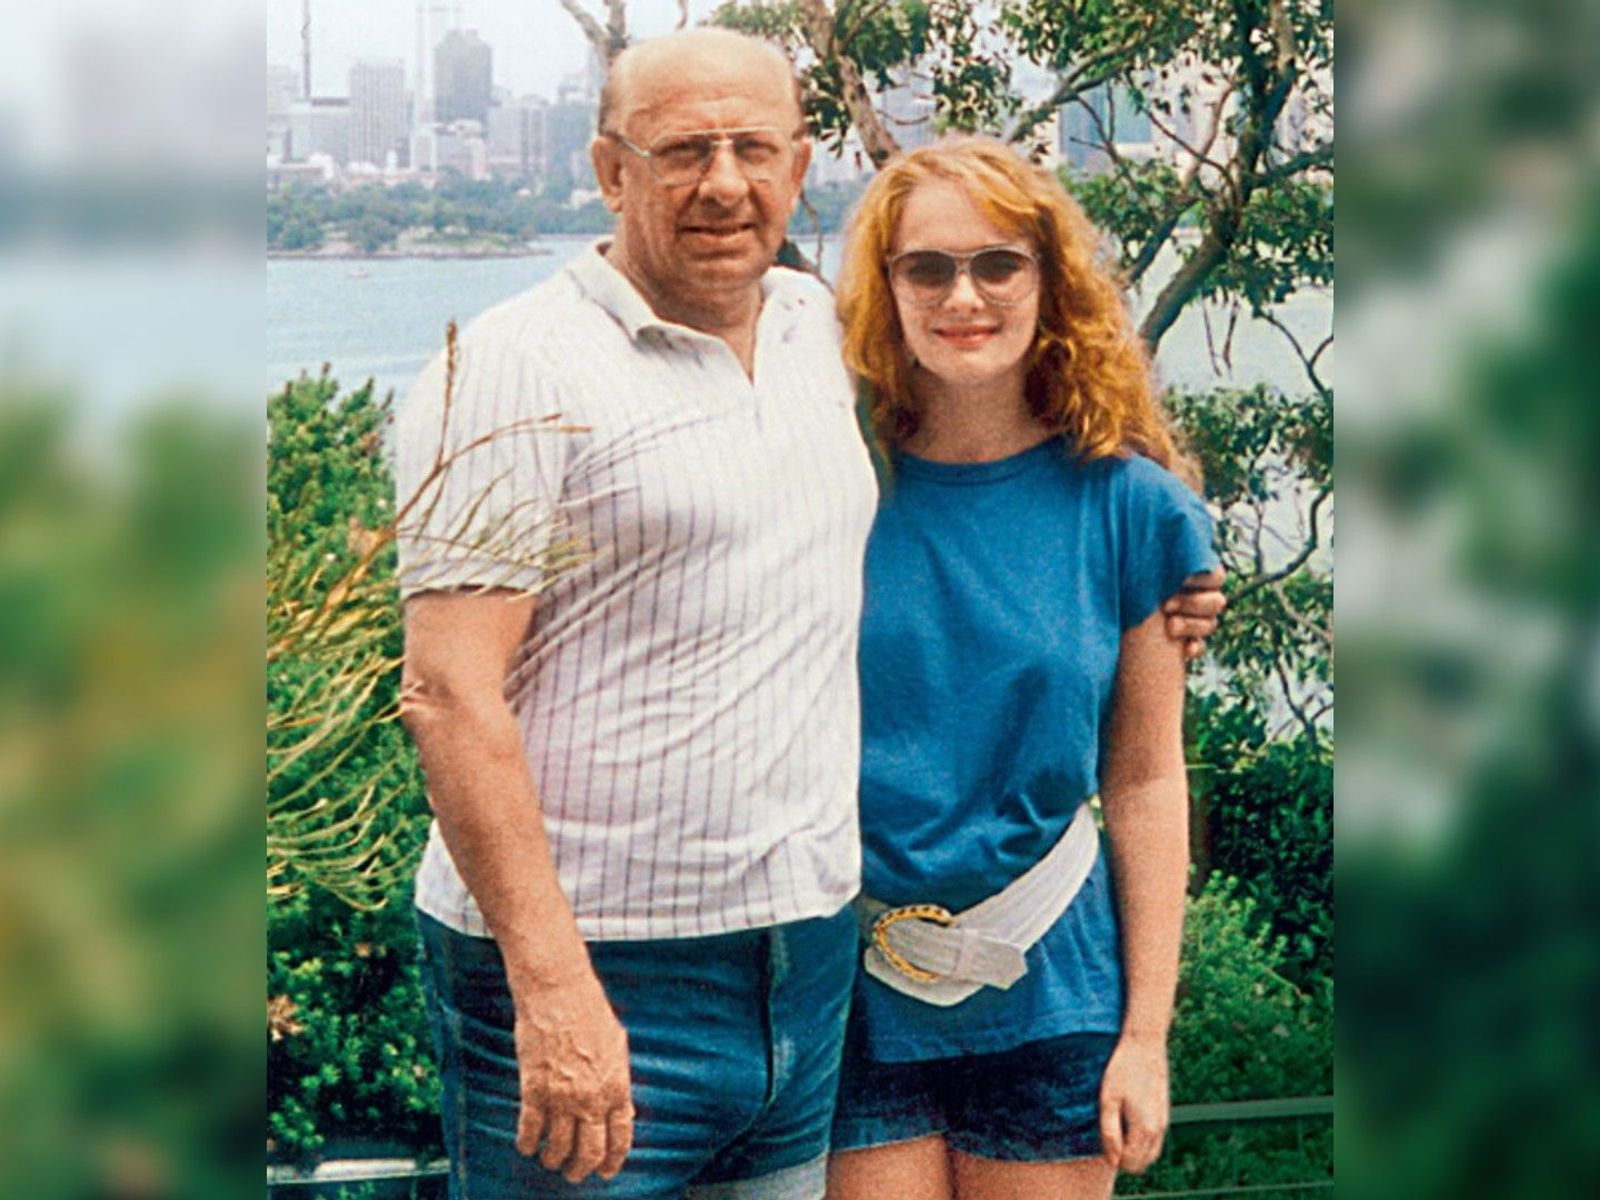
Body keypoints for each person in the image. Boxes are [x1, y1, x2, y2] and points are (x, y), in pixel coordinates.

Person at [393, 29, 1222, 1200]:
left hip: (820, 972)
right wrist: (554, 986)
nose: (722, 183)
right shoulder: (519, 366)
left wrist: (1175, 571)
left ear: (797, 167)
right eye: (683, 151)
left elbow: (1137, 756)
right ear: (610, 171)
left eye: (753, 149)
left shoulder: (809, 346)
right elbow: (445, 691)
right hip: (628, 972)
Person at [824, 137, 1218, 1200]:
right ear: (885, 287)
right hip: (848, 991)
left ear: (1048, 282)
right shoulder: (827, 484)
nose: (964, 297)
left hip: (1054, 988)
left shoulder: (1133, 508)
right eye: (927, 268)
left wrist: (1146, 1037)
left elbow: (1145, 778)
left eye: (998, 263)